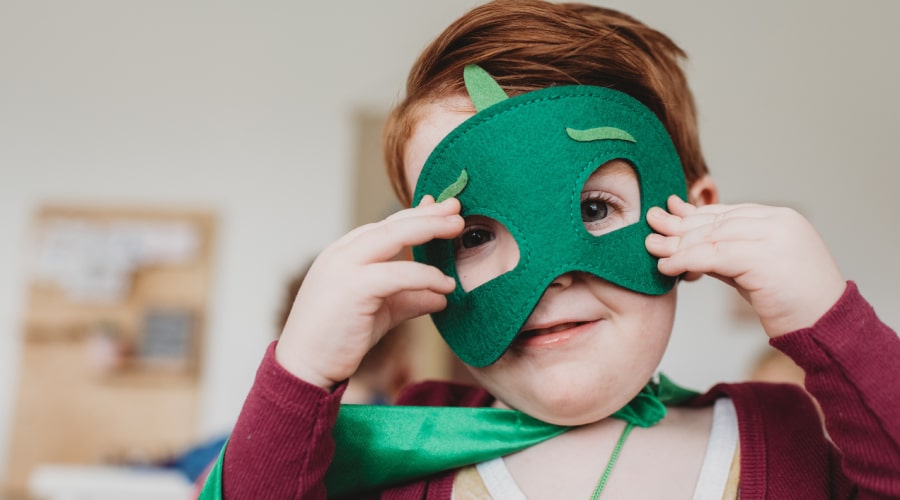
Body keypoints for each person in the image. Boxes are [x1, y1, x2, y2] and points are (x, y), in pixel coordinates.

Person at [201, 1, 900, 498]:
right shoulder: (409, 452)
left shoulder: (788, 439)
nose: (547, 278)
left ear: (698, 220)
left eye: (595, 209)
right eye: (475, 237)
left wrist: (831, 323)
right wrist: (302, 372)